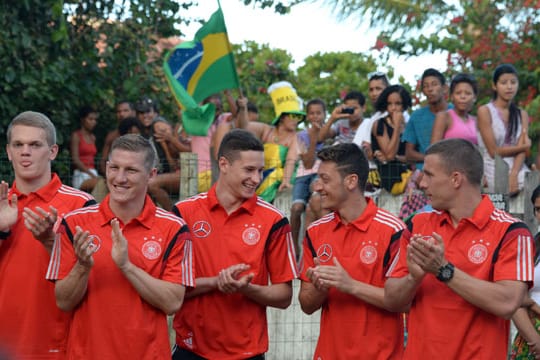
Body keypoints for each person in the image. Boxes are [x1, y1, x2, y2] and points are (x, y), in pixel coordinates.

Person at [384, 138, 534, 359]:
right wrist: (412, 279)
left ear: (455, 179)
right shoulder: (417, 224)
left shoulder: (512, 231)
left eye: (429, 175)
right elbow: (391, 300)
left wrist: (443, 270)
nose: (422, 183)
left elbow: (507, 303)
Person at [47, 134, 194, 359]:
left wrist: (127, 266)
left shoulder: (174, 229)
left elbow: (172, 302)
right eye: (114, 167)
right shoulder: (74, 223)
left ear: (151, 175)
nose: (120, 178)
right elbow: (63, 301)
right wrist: (83, 267)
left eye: (131, 170)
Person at [172, 129, 298, 359]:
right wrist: (215, 282)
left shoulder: (275, 220)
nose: (257, 179)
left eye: (260, 170)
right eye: (249, 170)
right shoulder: (183, 212)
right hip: (191, 349)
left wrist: (247, 289)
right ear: (224, 164)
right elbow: (170, 289)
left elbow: (284, 296)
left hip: (247, 352)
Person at [0, 111, 95, 359]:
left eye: (35, 145)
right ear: (8, 151)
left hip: (57, 344)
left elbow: (94, 276)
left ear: (52, 151)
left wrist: (52, 244)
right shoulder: (0, 204)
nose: (25, 151)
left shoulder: (82, 205)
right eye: (18, 145)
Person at [298, 143, 405, 359]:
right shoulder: (315, 231)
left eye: (325, 179)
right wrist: (320, 287)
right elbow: (306, 305)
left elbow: (403, 303)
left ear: (351, 181)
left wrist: (350, 285)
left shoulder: (393, 230)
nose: (317, 187)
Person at [400, 68, 451, 219]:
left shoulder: (455, 113)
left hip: (452, 172)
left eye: (434, 84)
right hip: (423, 175)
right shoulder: (417, 116)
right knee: (413, 220)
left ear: (444, 88)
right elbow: (409, 153)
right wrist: (431, 161)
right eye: (426, 86)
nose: (430, 89)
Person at [477, 63, 530, 195]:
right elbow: (493, 151)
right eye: (504, 82)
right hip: (493, 166)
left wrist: (514, 173)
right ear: (495, 86)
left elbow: (522, 152)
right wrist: (523, 147)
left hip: (518, 168)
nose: (509, 86)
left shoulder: (521, 114)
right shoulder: (485, 111)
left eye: (513, 82)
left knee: (532, 183)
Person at [290, 99, 326, 255]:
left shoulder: (329, 133)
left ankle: (312, 245)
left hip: (320, 176)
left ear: (324, 114)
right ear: (307, 116)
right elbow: (308, 163)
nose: (315, 116)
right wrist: (313, 138)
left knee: (315, 204)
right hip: (303, 176)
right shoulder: (302, 136)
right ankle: (293, 246)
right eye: (312, 113)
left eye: (319, 113)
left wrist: (318, 134)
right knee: (296, 208)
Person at [511, 185, 540, 359]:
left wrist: (533, 305)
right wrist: (535, 341)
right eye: (538, 209)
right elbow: (514, 298)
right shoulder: (529, 247)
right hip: (531, 334)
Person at [370, 85, 412, 194]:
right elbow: (389, 155)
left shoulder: (409, 126)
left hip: (409, 172)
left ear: (404, 105)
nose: (393, 108)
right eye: (389, 104)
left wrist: (398, 158)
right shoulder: (379, 124)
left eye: (397, 104)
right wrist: (397, 127)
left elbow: (411, 156)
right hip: (391, 179)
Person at [147, 118, 190, 211]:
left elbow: (191, 151)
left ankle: (173, 214)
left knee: (152, 183)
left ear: (170, 126)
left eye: (164, 130)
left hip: (192, 172)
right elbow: (172, 166)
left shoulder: (179, 133)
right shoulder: (163, 144)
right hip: (178, 174)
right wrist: (164, 145)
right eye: (159, 132)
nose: (163, 133)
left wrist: (172, 139)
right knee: (147, 184)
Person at [430, 73, 478, 145]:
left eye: (468, 93)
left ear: (474, 98)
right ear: (452, 97)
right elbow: (433, 149)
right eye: (458, 93)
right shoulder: (444, 117)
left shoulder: (476, 121)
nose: (463, 97)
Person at [99, 100, 136, 175]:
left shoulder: (142, 132)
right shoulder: (112, 136)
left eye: (125, 110)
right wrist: (107, 176)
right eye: (119, 111)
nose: (122, 114)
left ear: (133, 112)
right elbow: (103, 160)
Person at [70, 105, 99, 192]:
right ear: (82, 120)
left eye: (95, 120)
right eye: (90, 119)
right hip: (81, 173)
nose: (93, 122)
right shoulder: (76, 136)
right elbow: (75, 159)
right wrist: (90, 174)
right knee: (101, 184)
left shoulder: (93, 137)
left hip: (93, 172)